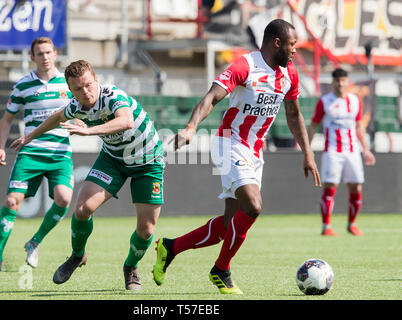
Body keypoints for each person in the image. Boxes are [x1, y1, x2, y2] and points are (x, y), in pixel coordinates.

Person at [152, 19, 321, 294]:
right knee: (253, 206)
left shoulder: (289, 73)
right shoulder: (246, 66)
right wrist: (191, 127)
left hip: (255, 151)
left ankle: (170, 247)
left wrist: (308, 153)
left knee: (228, 225)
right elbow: (211, 98)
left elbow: (293, 114)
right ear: (276, 42)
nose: (294, 51)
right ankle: (221, 270)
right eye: (291, 45)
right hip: (229, 144)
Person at [10, 60, 165, 291]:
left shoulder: (112, 95)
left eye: (88, 85)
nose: (85, 92)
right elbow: (57, 117)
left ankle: (130, 267)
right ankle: (77, 255)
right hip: (113, 160)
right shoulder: (76, 106)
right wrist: (29, 137)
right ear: (70, 90)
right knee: (82, 210)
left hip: (147, 162)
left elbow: (126, 121)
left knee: (146, 230)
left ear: (96, 80)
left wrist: (89, 131)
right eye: (78, 89)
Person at [0, 37, 75, 273]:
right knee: (12, 201)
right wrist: (0, 147)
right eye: (39, 53)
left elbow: (85, 108)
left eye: (48, 52)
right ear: (32, 57)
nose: (44, 57)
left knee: (64, 199)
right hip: (31, 152)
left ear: (55, 53)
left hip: (59, 153)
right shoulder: (23, 85)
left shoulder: (69, 84)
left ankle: (34, 241)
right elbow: (7, 119)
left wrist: (85, 126)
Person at [308, 68, 376, 236]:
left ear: (347, 81)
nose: (340, 84)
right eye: (337, 80)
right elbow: (313, 125)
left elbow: (359, 126)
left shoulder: (355, 101)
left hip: (352, 151)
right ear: (333, 82)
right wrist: (307, 150)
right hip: (332, 151)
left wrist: (366, 149)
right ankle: (326, 226)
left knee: (356, 187)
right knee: (330, 187)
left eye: (343, 80)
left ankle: (352, 223)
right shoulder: (325, 101)